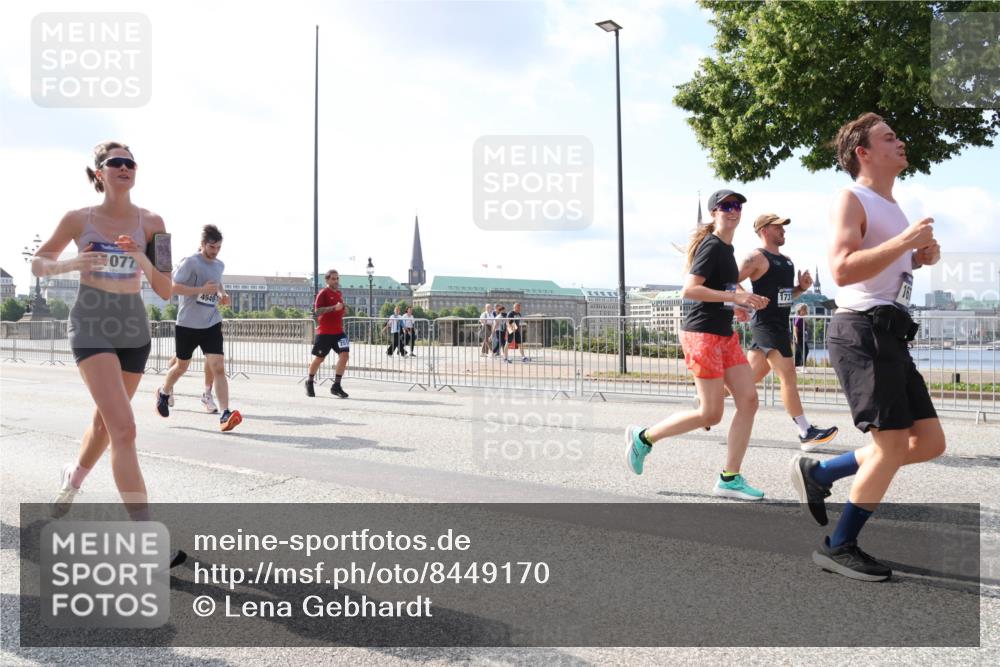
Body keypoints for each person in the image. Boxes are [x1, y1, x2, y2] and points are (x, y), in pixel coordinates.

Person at [790, 112, 944, 581]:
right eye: (889, 137)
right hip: (862, 332)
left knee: (930, 442)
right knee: (893, 444)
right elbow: (841, 270)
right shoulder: (850, 198)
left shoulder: (891, 204)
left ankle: (821, 474)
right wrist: (904, 240)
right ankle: (839, 546)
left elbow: (881, 265)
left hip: (892, 333)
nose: (901, 142)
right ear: (863, 152)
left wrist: (917, 256)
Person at [36, 141, 184, 564]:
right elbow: (39, 264)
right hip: (91, 326)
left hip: (134, 332)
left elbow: (165, 288)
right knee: (125, 428)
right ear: (98, 172)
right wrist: (72, 265)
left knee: (105, 423)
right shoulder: (77, 219)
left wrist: (140, 254)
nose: (124, 167)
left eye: (130, 162)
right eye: (114, 162)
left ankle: (73, 477)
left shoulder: (154, 222)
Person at [625, 189, 770, 500]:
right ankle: (644, 438)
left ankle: (729, 478)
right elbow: (690, 290)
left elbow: (723, 289)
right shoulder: (712, 246)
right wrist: (734, 297)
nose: (734, 211)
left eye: (738, 206)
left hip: (724, 333)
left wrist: (739, 305)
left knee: (748, 400)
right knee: (710, 414)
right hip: (702, 334)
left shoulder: (728, 250)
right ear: (714, 212)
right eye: (727, 206)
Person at [738, 213, 839, 450]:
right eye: (778, 227)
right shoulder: (755, 258)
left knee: (746, 380)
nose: (784, 230)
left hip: (780, 325)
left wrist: (800, 288)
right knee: (788, 375)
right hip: (766, 325)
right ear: (764, 230)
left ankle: (707, 401)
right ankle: (806, 431)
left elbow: (784, 297)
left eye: (784, 227)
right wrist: (746, 299)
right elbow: (729, 281)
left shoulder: (788, 261)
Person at [155, 225, 242, 432]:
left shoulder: (219, 265)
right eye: (212, 247)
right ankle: (164, 391)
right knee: (182, 366)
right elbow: (172, 287)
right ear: (203, 244)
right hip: (187, 324)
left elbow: (218, 284)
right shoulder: (190, 262)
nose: (215, 251)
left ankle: (224, 414)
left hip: (211, 322)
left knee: (218, 366)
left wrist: (223, 295)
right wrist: (200, 290)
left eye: (219, 247)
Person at [305, 269, 349, 398]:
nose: (336, 281)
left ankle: (336, 385)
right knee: (320, 358)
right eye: (333, 279)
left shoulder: (339, 293)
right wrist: (333, 308)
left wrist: (342, 310)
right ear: (327, 280)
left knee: (345, 355)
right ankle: (310, 381)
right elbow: (317, 311)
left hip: (339, 332)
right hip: (325, 332)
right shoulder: (323, 293)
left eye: (337, 278)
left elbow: (340, 309)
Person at [793, 304, 810, 370]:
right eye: (805, 310)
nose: (806, 311)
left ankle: (796, 366)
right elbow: (795, 328)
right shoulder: (799, 318)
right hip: (799, 336)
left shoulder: (801, 318)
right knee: (805, 351)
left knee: (798, 351)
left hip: (800, 336)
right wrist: (796, 338)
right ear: (800, 311)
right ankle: (802, 366)